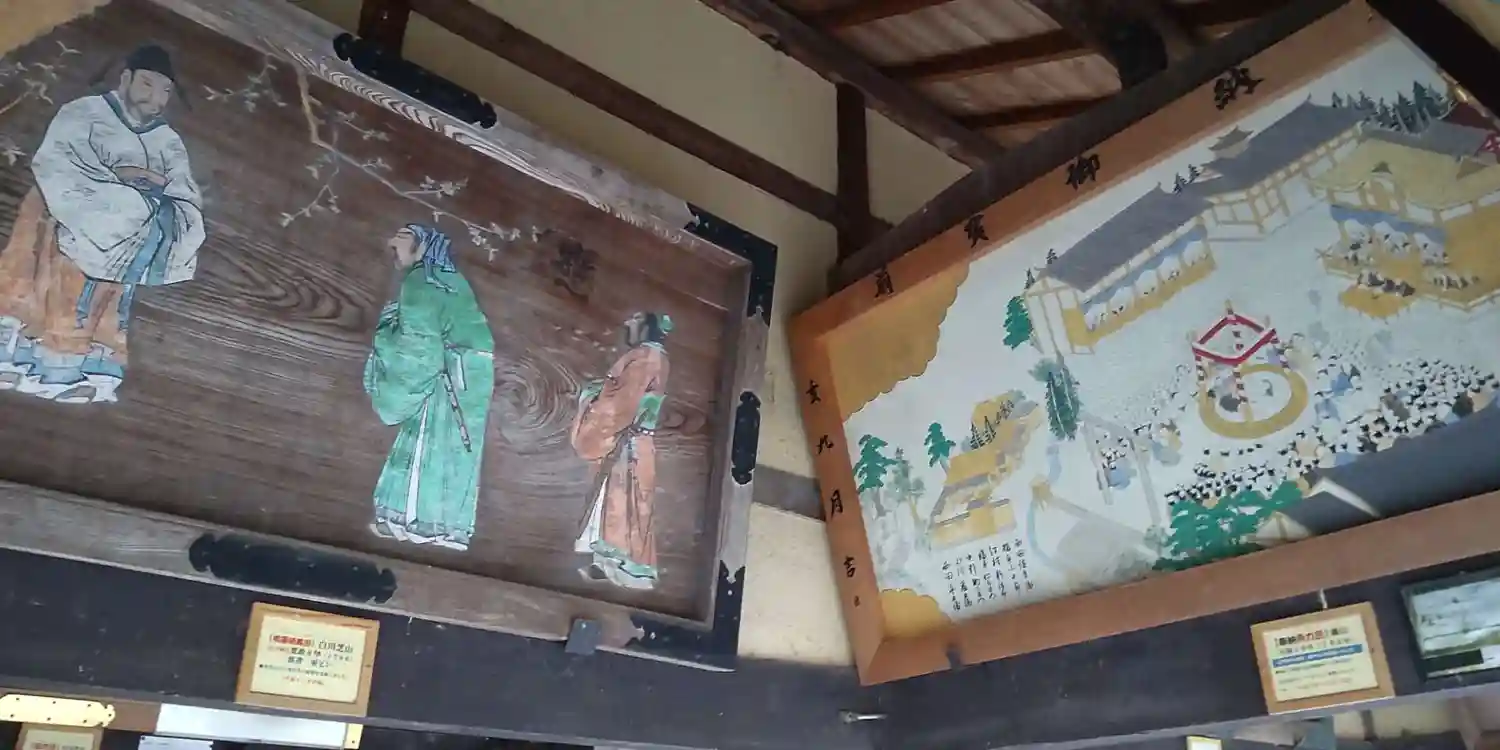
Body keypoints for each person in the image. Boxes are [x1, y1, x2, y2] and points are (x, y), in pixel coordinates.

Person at [0, 44, 205, 403]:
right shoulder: (84, 113)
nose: (155, 98)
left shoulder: (167, 140)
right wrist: (120, 180)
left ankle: (81, 374)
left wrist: (156, 201)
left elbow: (184, 192)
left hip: (131, 231)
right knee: (51, 286)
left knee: (103, 303)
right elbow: (57, 161)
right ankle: (26, 362)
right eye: (147, 84)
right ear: (125, 78)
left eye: (165, 91)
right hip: (67, 218)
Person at [363, 224, 495, 551]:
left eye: (402, 240)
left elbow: (418, 351)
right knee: (453, 452)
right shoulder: (451, 281)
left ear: (421, 247)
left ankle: (415, 522)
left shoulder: (421, 283)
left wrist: (386, 339)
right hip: (469, 377)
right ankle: (440, 525)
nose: (394, 247)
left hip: (446, 374)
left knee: (428, 447)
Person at [571, 312, 672, 589]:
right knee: (620, 505)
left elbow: (622, 402)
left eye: (635, 322)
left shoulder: (645, 357)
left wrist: (591, 398)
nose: (629, 326)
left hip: (628, 439)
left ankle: (627, 569)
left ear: (647, 326)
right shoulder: (652, 357)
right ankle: (607, 565)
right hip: (635, 439)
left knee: (625, 505)